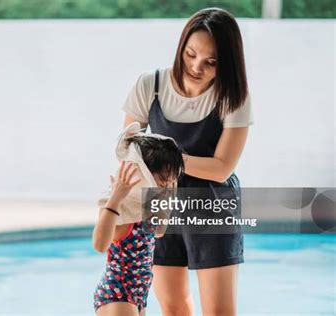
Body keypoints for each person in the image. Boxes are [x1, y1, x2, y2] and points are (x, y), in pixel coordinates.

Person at [121, 8, 253, 316]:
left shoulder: (233, 97)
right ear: (181, 46)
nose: (196, 67)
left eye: (212, 62)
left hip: (212, 204)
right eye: (190, 54)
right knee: (173, 306)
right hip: (158, 204)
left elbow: (221, 168)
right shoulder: (149, 85)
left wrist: (163, 157)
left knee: (219, 311)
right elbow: (128, 150)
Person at [92, 134, 185, 316]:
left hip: (138, 295)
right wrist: (116, 198)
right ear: (144, 173)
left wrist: (168, 195)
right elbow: (99, 245)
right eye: (164, 177)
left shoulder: (144, 207)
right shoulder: (121, 207)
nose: (168, 181)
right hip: (118, 293)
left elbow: (159, 231)